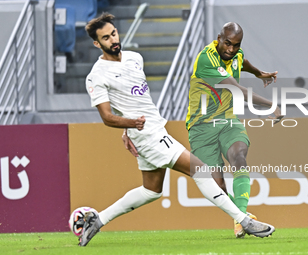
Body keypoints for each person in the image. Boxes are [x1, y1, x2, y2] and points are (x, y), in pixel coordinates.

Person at [79, 13, 276, 247]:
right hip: (148, 135)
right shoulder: (97, 75)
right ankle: (243, 220)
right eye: (105, 38)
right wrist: (131, 126)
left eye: (113, 33)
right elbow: (107, 117)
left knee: (151, 190)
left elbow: (130, 103)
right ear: (96, 43)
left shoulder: (134, 58)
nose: (113, 39)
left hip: (152, 129)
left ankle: (97, 219)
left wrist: (127, 130)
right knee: (201, 170)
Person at [185, 22, 283, 238]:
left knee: (239, 156)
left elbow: (242, 62)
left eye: (236, 45)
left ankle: (242, 219)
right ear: (219, 38)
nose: (230, 49)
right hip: (201, 128)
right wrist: (271, 105)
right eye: (227, 43)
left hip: (228, 120)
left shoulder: (236, 54)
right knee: (218, 185)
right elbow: (237, 90)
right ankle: (241, 218)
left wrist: (259, 73)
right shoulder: (206, 59)